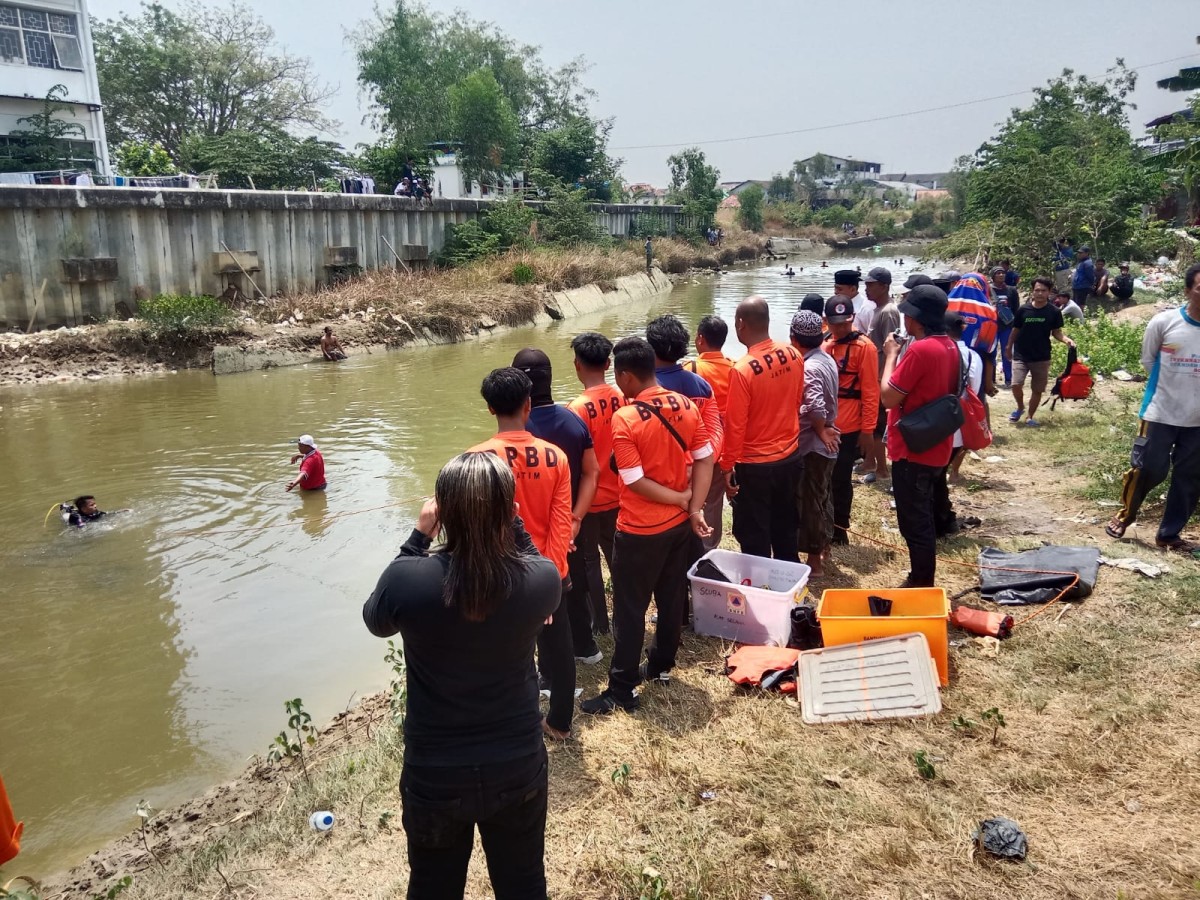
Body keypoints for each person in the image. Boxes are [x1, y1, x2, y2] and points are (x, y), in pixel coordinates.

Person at [362, 452, 559, 899]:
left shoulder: (407, 579)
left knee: (433, 887)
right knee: (524, 883)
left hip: (435, 772)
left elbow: (376, 621)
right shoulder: (540, 581)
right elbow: (533, 560)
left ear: (441, 512)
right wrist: (515, 523)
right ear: (509, 511)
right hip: (516, 763)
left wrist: (416, 537)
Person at [580, 337, 714, 715]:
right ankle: (660, 665)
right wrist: (693, 506)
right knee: (671, 597)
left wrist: (679, 499)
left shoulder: (625, 417)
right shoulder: (685, 404)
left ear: (624, 376)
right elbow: (705, 458)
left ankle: (622, 688)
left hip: (640, 529)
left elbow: (635, 479)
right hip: (677, 528)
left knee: (629, 609)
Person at [468, 368, 575, 740]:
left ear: (488, 408)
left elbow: (474, 528)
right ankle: (560, 722)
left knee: (499, 652)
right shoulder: (555, 457)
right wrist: (556, 576)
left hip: (496, 574)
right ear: (528, 404)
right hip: (545, 571)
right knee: (559, 650)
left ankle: (505, 720)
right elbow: (563, 522)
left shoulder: (475, 459)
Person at [512, 349, 601, 678]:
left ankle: (546, 671)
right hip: (570, 528)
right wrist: (576, 517)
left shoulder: (518, 429)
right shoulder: (573, 419)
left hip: (530, 534)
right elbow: (593, 472)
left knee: (539, 603)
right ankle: (587, 648)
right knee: (573, 588)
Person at [1105, 263, 1200, 553]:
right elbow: (1149, 361)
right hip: (1160, 411)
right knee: (1148, 468)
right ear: (1188, 291)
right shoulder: (1164, 322)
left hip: (1197, 419)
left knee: (1189, 477)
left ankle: (1169, 535)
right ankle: (1125, 516)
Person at [880, 284, 962, 588]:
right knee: (923, 513)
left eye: (908, 315)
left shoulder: (920, 349)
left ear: (916, 318)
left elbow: (888, 397)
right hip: (936, 443)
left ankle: (921, 581)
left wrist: (891, 356)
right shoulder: (950, 345)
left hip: (912, 449)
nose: (905, 321)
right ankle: (921, 576)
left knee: (915, 522)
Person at [721, 296, 805, 561]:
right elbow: (797, 400)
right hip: (790, 456)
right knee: (786, 527)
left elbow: (735, 426)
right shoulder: (793, 353)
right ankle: (790, 586)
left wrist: (727, 467)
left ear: (740, 324)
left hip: (755, 466)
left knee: (754, 534)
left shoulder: (743, 370)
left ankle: (760, 590)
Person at [568, 333, 623, 637]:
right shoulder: (623, 397)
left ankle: (599, 624)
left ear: (577, 365)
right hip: (621, 496)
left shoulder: (575, 409)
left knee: (590, 563)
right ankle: (624, 616)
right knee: (618, 558)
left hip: (589, 502)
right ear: (607, 363)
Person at [823, 296, 880, 542]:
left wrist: (867, 431)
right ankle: (823, 524)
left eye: (845, 324)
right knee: (822, 480)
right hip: (824, 427)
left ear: (853, 319)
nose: (840, 329)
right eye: (835, 324)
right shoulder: (824, 344)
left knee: (841, 480)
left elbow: (871, 392)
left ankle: (840, 530)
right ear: (827, 322)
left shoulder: (865, 348)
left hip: (849, 429)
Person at [790, 311, 839, 576]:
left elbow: (816, 405)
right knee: (822, 497)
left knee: (810, 502)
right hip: (826, 443)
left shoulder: (808, 367)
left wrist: (821, 430)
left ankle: (814, 562)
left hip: (814, 444)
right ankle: (824, 548)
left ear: (794, 339)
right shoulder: (826, 358)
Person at [683, 315, 736, 550]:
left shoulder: (691, 369)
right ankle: (710, 547)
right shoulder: (736, 368)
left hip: (698, 448)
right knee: (714, 501)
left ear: (700, 339)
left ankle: (692, 550)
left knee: (692, 500)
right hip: (726, 448)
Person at [1007, 277, 1075, 427]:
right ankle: (1020, 407)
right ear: (1033, 291)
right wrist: (1008, 346)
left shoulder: (1054, 312)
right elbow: (1015, 330)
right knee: (1016, 384)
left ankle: (1029, 417)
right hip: (1021, 354)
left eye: (1043, 290)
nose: (1039, 293)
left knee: (1037, 389)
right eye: (1037, 290)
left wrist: (1066, 340)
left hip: (1041, 356)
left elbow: (1056, 332)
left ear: (1049, 292)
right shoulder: (1023, 310)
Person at [863, 267, 900, 482]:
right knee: (871, 421)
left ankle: (882, 469)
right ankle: (870, 461)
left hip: (879, 376)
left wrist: (882, 378)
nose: (866, 289)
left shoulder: (888, 312)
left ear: (884, 286)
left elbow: (891, 346)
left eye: (870, 285)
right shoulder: (878, 309)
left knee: (877, 424)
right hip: (873, 374)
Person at [946, 311, 984, 490]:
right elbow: (974, 389)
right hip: (962, 412)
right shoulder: (973, 356)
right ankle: (954, 473)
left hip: (939, 416)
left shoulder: (941, 353)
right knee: (959, 445)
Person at [990, 267, 1020, 387]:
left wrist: (1017, 325)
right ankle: (990, 378)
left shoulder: (1011, 290)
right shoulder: (988, 290)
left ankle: (1008, 379)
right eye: (998, 273)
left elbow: (1016, 309)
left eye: (1003, 273)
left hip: (1007, 325)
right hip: (991, 325)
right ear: (993, 276)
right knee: (990, 352)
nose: (1001, 275)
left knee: (1007, 351)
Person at [1072, 245, 1096, 311]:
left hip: (1083, 286)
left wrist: (1092, 284)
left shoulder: (1088, 263)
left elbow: (1090, 275)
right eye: (1078, 253)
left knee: (1081, 304)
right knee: (1075, 303)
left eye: (1081, 253)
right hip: (1077, 286)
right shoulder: (1080, 262)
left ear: (1087, 253)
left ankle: (1082, 319)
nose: (1079, 254)